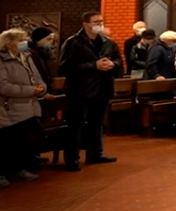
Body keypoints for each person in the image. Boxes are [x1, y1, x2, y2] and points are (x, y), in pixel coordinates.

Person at [59, 11, 120, 171]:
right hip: (80, 90)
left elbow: (118, 61)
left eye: (101, 21)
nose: (100, 24)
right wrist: (94, 65)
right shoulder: (73, 42)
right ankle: (72, 159)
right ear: (85, 24)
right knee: (76, 125)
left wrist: (113, 64)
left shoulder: (108, 42)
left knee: (97, 123)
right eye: (95, 22)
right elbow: (65, 67)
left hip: (103, 88)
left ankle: (95, 154)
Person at [0, 29, 47, 187]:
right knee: (7, 142)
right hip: (9, 107)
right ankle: (2, 173)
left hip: (29, 106)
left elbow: (37, 76)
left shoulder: (26, 56)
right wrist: (30, 90)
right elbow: (3, 86)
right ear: (10, 43)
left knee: (25, 140)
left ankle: (20, 168)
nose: (25, 43)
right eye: (21, 40)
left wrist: (42, 88)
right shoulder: (2, 60)